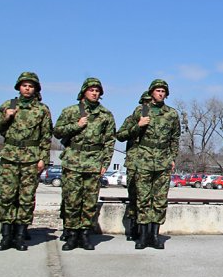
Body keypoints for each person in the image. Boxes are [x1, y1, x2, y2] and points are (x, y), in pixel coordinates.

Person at [53, 78, 116, 251]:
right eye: (91, 90)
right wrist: (76, 125)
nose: (95, 93)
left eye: (97, 90)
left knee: (89, 202)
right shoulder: (71, 111)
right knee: (72, 200)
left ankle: (85, 235)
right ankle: (72, 235)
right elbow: (57, 131)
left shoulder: (106, 115)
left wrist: (105, 163)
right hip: (73, 160)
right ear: (84, 92)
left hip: (94, 162)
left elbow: (110, 141)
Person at [116, 80, 180, 250]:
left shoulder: (172, 114)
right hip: (143, 159)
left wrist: (172, 157)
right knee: (143, 199)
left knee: (159, 201)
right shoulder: (141, 111)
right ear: (151, 92)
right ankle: (143, 236)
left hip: (163, 160)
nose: (160, 93)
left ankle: (155, 236)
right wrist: (138, 126)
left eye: (163, 91)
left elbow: (175, 138)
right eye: (158, 90)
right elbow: (121, 134)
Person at [0, 72, 53, 251]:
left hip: (31, 158)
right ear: (19, 87)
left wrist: (43, 159)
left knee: (26, 198)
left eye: (31, 86)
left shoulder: (42, 109)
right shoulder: (9, 105)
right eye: (24, 85)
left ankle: (21, 234)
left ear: (36, 88)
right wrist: (6, 117)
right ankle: (6, 235)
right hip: (10, 157)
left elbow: (46, 136)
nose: (27, 88)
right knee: (6, 196)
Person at [122, 91, 151, 241]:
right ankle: (134, 227)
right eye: (145, 102)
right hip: (134, 162)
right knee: (134, 195)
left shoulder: (157, 120)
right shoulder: (132, 119)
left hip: (150, 163)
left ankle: (146, 229)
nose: (147, 105)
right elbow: (120, 135)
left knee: (148, 198)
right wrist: (137, 127)